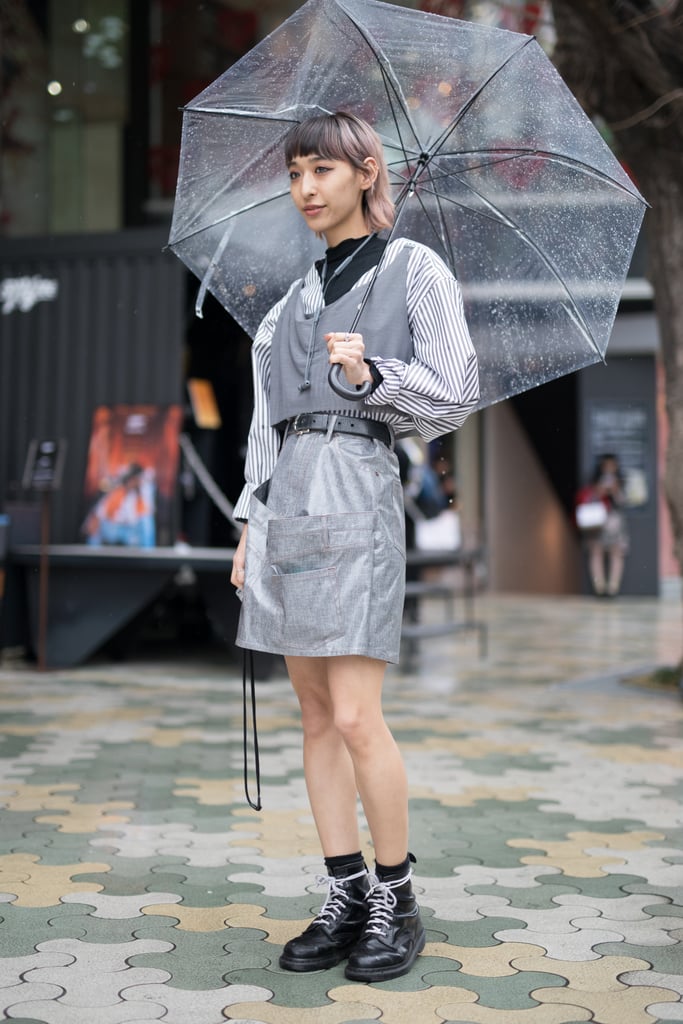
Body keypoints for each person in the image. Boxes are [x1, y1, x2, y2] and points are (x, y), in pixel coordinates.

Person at [230, 111, 479, 983]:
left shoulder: (414, 270)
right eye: (295, 172)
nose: (305, 188)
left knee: (353, 714)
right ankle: (343, 889)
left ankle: (395, 896)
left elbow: (456, 394)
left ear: (367, 173)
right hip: (288, 500)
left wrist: (377, 378)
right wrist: (247, 523)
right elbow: (267, 427)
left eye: (323, 171)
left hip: (358, 485)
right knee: (309, 711)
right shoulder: (286, 304)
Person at [577, 453, 629, 597]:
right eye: (606, 465)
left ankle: (613, 587)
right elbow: (588, 499)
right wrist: (599, 491)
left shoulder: (620, 481)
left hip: (615, 522)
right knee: (596, 552)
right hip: (597, 522)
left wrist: (615, 490)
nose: (609, 468)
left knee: (616, 553)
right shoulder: (594, 482)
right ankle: (599, 587)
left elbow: (624, 502)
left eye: (612, 465)